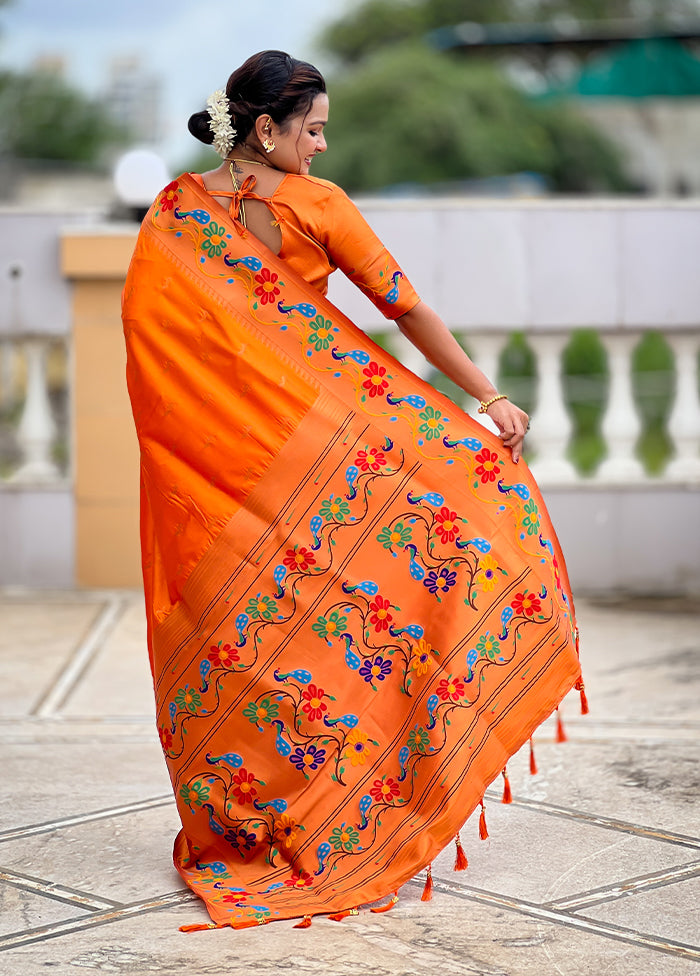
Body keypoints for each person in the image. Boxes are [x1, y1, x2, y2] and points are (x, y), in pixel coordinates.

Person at [122, 50, 583, 932]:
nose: (323, 147)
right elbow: (403, 311)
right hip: (313, 456)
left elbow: (150, 343)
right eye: (315, 128)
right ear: (268, 128)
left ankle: (256, 814)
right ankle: (343, 793)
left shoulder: (177, 212)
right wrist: (484, 395)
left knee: (257, 639)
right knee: (358, 598)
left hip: (225, 473)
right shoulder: (313, 208)